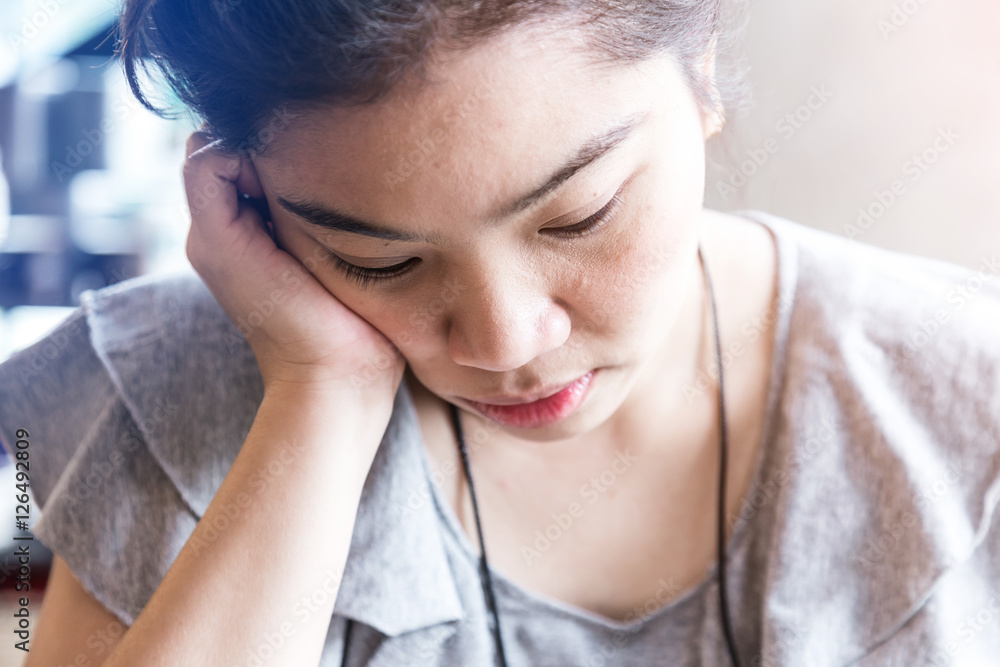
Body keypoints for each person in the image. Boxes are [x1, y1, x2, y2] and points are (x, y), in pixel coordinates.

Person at [1, 0, 998, 665]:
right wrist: (319, 394)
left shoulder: (962, 394)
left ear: (700, 71)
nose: (504, 338)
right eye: (380, 261)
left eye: (578, 216)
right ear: (244, 198)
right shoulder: (161, 396)